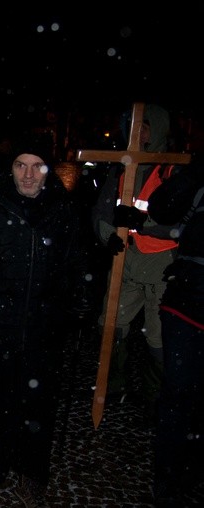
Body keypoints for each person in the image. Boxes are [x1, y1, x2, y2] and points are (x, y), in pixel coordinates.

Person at [0, 142, 90, 506]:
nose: (28, 174)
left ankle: (32, 470)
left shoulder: (62, 213)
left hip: (45, 324)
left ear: (48, 171)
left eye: (37, 165)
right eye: (20, 165)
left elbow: (76, 266)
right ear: (9, 169)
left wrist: (77, 302)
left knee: (37, 401)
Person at [91, 104, 180, 422]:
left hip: (160, 266)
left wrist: (143, 224)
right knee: (111, 324)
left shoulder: (173, 168)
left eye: (143, 126)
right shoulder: (120, 167)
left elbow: (181, 222)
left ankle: (156, 398)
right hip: (125, 262)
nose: (137, 132)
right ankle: (112, 386)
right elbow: (101, 210)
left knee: (158, 337)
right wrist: (107, 234)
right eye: (132, 125)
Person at [147, 159, 204, 507]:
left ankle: (191, 469)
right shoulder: (197, 177)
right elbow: (164, 209)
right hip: (188, 303)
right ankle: (168, 477)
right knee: (179, 393)